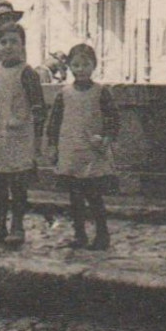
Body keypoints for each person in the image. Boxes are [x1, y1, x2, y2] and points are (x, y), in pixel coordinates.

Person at [0, 23, 48, 247]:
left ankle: (17, 226)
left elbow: (38, 107)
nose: (8, 47)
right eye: (3, 42)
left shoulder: (27, 73)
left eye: (14, 42)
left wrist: (38, 136)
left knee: (17, 184)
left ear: (22, 45)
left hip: (18, 135)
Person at [47, 43, 118, 251]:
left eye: (85, 64)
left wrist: (106, 138)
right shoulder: (64, 93)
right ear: (69, 67)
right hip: (71, 151)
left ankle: (102, 234)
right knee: (75, 197)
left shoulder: (101, 92)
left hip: (92, 151)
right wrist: (53, 145)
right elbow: (55, 121)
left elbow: (113, 118)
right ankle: (80, 235)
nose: (80, 69)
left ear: (93, 66)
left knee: (95, 196)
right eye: (76, 65)